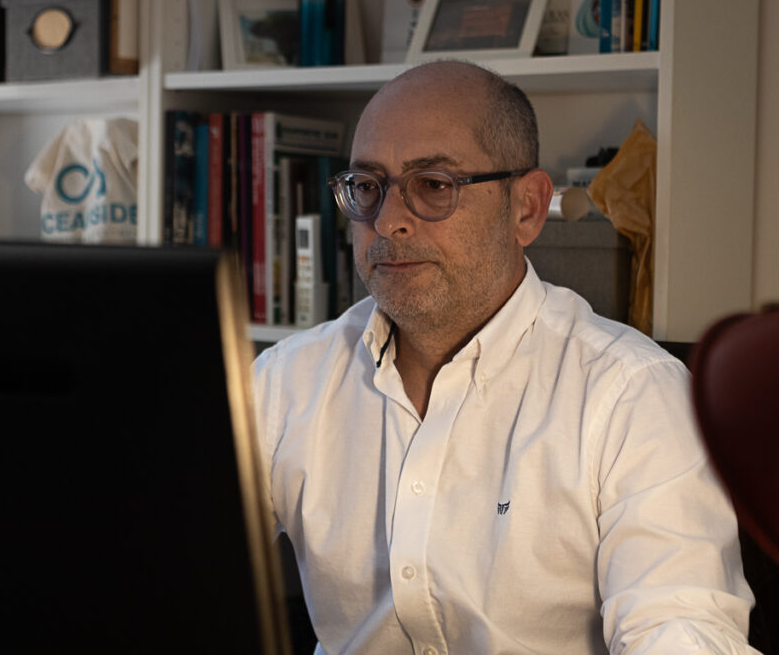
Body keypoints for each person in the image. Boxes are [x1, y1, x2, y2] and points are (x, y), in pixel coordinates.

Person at [253, 60, 757, 654]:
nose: (387, 221)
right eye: (367, 186)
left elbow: (681, 627)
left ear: (527, 208)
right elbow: (176, 561)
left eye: (433, 185)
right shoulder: (285, 382)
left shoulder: (632, 396)